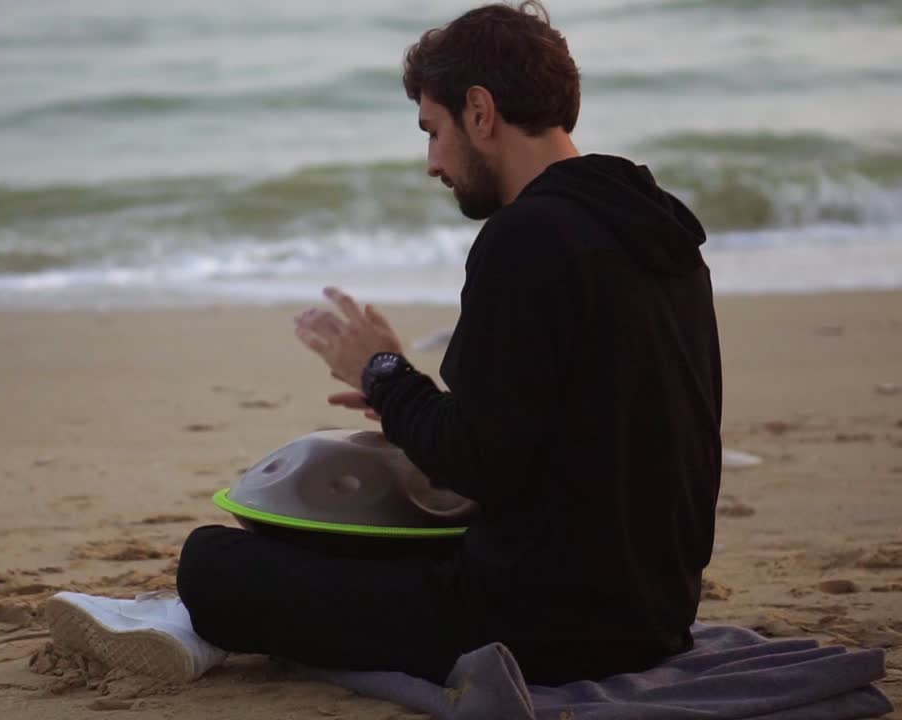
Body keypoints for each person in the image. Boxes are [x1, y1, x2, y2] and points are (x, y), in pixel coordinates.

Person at [44, 0, 722, 687]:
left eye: (433, 130)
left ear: (480, 112)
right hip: (656, 612)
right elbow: (555, 436)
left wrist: (385, 373)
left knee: (211, 563)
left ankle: (199, 629)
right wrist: (399, 397)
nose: (432, 162)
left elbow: (479, 465)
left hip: (543, 626)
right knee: (339, 540)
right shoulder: (658, 230)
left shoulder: (526, 238)